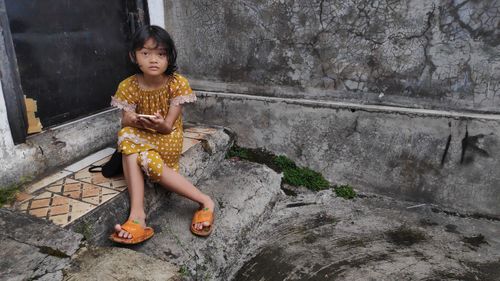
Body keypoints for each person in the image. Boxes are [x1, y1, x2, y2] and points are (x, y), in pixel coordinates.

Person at [109, 25, 215, 244]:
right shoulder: (128, 86)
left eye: (160, 54)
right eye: (145, 53)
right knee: (128, 136)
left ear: (169, 56)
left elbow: (168, 127)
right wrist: (135, 119)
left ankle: (205, 201)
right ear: (133, 56)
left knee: (132, 145)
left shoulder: (177, 83)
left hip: (168, 138)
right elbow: (125, 119)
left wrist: (158, 124)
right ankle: (137, 215)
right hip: (141, 136)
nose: (153, 59)